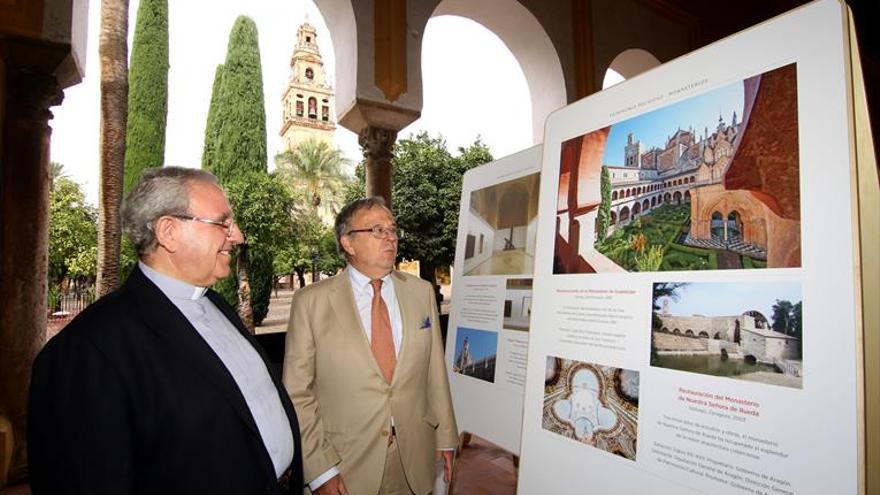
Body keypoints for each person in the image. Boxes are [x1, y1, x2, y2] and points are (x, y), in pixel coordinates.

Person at [28, 167, 303, 494]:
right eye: (222, 223)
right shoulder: (87, 351)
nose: (238, 235)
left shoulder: (217, 305)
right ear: (169, 231)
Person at [284, 197, 457, 495]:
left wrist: (445, 437)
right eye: (377, 230)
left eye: (393, 229)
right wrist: (320, 469)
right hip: (346, 464)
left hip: (414, 457)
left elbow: (434, 372)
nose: (391, 237)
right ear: (348, 243)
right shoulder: (311, 302)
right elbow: (297, 393)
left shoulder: (421, 293)